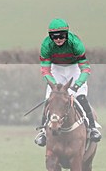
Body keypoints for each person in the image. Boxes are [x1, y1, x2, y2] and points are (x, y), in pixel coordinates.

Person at [34, 18, 102, 146]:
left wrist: (76, 87)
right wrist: (54, 86)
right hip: (56, 69)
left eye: (61, 36)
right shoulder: (46, 45)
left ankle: (93, 128)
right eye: (54, 36)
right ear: (50, 37)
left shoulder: (75, 43)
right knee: (50, 98)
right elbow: (45, 70)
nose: (58, 39)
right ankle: (43, 131)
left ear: (67, 34)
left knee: (80, 97)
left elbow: (85, 69)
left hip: (74, 69)